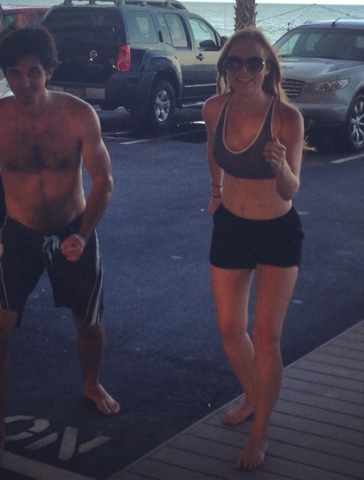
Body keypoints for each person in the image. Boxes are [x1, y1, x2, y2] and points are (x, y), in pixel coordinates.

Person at [0, 26, 119, 479]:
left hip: (74, 231)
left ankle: (91, 382)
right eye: (14, 74)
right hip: (20, 235)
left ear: (49, 71)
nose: (24, 83)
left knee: (89, 324)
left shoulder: (78, 115)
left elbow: (103, 181)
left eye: (33, 72)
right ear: (5, 75)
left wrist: (83, 234)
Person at [202, 27, 304, 471]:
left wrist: (281, 166)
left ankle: (260, 433)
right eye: (235, 62)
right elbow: (213, 151)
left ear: (268, 69)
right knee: (229, 328)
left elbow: (291, 189)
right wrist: (216, 191)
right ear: (226, 66)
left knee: (266, 336)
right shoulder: (214, 108)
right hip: (231, 226)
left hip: (277, 231)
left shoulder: (286, 119)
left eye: (254, 63)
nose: (243, 71)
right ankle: (253, 395)